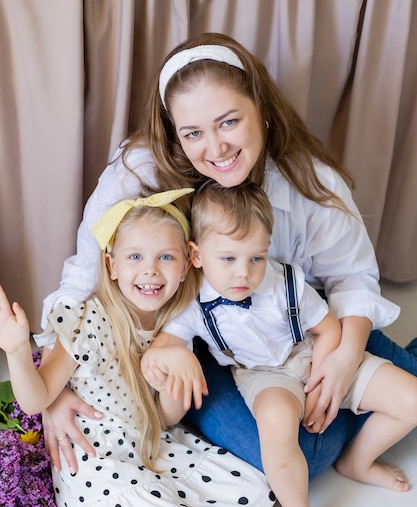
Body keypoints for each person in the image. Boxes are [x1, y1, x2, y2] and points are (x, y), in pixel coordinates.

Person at [39, 32, 417, 481]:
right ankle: (345, 418)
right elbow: (84, 274)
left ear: (260, 108)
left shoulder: (310, 181)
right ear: (174, 134)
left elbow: (351, 278)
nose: (215, 148)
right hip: (208, 344)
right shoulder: (138, 170)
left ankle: (358, 399)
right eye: (193, 132)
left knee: (398, 388)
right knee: (306, 454)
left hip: (300, 322)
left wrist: (343, 358)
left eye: (229, 122)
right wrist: (50, 390)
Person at [0, 189, 274, 507]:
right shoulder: (88, 320)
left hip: (151, 449)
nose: (150, 270)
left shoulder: (175, 322)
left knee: (256, 489)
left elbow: (164, 418)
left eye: (165, 258)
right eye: (134, 258)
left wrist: (175, 378)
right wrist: (16, 350)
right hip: (95, 465)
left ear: (187, 262)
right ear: (110, 265)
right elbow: (36, 399)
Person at [142, 181, 417, 507]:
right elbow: (166, 342)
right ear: (196, 255)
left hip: (313, 357)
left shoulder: (286, 282)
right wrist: (163, 354)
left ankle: (357, 461)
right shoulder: (194, 302)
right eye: (229, 258)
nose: (244, 273)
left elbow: (327, 329)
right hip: (263, 375)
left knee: (410, 398)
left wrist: (322, 382)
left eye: (256, 257)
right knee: (275, 423)